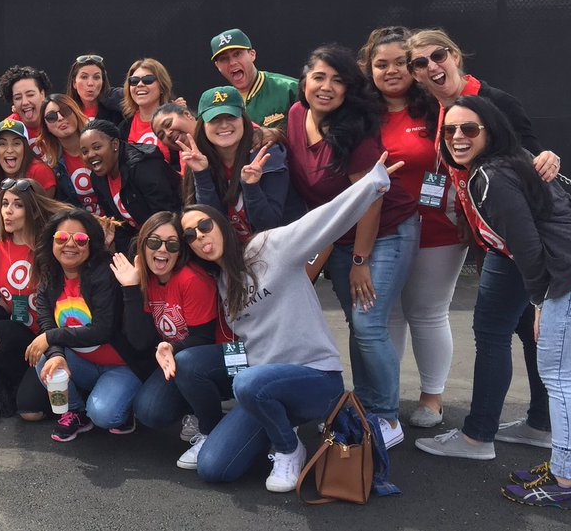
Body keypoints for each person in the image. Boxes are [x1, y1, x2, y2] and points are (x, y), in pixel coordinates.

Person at [189, 154, 403, 490]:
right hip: (264, 387)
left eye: (204, 226)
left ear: (221, 225)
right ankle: (272, 429)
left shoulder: (267, 248)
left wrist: (371, 183)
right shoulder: (222, 283)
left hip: (314, 378)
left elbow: (321, 221)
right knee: (214, 468)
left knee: (246, 383)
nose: (199, 236)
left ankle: (289, 449)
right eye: (190, 235)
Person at [407, 28, 560, 460]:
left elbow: (533, 157)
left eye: (438, 56)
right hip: (489, 235)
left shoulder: (495, 101)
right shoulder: (437, 109)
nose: (432, 67)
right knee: (524, 333)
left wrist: (549, 156)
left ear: (455, 55)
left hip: (513, 241)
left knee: (490, 331)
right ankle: (539, 423)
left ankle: (477, 436)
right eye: (420, 63)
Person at [436, 96, 571, 510]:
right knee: (565, 377)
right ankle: (566, 469)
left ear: (489, 131)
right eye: (450, 130)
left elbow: (525, 245)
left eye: (469, 129)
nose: (457, 137)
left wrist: (541, 300)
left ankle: (566, 483)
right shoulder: (512, 161)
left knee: (561, 378)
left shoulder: (489, 176)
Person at [286, 44, 420, 448]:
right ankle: (365, 406)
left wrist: (361, 260)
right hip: (341, 237)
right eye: (319, 77)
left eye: (338, 81)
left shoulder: (355, 132)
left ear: (348, 90)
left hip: (386, 231)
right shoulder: (295, 117)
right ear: (305, 81)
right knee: (356, 323)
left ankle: (386, 418)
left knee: (368, 323)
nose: (327, 88)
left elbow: (371, 200)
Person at [358, 27, 467, 429]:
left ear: (416, 68)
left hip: (436, 228)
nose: (391, 71)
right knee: (389, 316)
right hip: (381, 230)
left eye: (401, 63)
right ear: (369, 69)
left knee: (427, 313)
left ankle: (432, 397)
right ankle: (389, 396)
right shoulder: (362, 114)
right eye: (380, 64)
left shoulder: (438, 108)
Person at [25, 208, 154, 442]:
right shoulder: (48, 278)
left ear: (91, 244)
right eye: (62, 238)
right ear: (51, 242)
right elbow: (46, 325)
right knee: (43, 355)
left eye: (81, 239)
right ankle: (74, 412)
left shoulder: (104, 274)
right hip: (82, 362)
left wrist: (52, 337)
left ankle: (123, 406)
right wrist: (55, 352)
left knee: (104, 416)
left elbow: (103, 330)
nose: (70, 245)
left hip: (121, 365)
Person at [117, 211, 231, 471]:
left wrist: (170, 348)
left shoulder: (191, 279)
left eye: (172, 244)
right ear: (143, 244)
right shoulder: (146, 279)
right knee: (149, 411)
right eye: (154, 242)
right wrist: (131, 289)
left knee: (186, 362)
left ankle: (211, 423)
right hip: (176, 356)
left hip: (216, 357)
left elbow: (202, 339)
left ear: (181, 249)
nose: (163, 250)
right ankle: (195, 405)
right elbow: (139, 340)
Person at [0, 179, 69, 420]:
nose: (8, 210)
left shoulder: (50, 248)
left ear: (33, 209)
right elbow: (7, 294)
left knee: (31, 414)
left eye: (17, 205)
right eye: (5, 204)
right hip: (22, 334)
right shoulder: (0, 246)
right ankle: (18, 378)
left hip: (51, 337)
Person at [177, 86, 303, 240]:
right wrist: (201, 175)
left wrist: (251, 186)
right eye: (214, 119)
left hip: (283, 245)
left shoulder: (267, 153)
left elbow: (269, 225)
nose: (224, 125)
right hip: (236, 254)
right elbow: (212, 228)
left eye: (231, 117)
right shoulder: (199, 159)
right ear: (203, 126)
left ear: (243, 120)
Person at [79, 119, 181, 252]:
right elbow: (119, 226)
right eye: (85, 151)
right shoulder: (97, 178)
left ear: (115, 144)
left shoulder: (143, 167)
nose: (91, 155)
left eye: (97, 147)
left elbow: (168, 217)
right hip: (142, 243)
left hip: (172, 240)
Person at [209, 27, 299, 134]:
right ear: (217, 66)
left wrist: (278, 134)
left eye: (237, 54)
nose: (232, 62)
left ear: (252, 54)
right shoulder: (219, 103)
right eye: (223, 59)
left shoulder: (290, 88)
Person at [0, 118, 57, 217]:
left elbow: (43, 217)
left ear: (25, 147)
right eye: (2, 144)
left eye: (16, 143)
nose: (9, 150)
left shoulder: (40, 172)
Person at [39, 94, 97, 214]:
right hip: (82, 228)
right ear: (46, 127)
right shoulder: (51, 167)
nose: (60, 118)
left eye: (65, 111)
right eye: (51, 117)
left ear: (75, 112)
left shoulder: (101, 144)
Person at [119, 58, 175, 160]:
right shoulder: (124, 127)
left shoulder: (175, 122)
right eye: (134, 81)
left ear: (162, 87)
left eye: (148, 80)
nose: (140, 85)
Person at [0, 65, 51, 159]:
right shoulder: (8, 128)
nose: (25, 102)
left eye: (30, 95)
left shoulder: (58, 119)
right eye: (18, 98)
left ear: (42, 94)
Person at [66, 53, 123, 125]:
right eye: (84, 77)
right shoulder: (65, 113)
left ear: (103, 82)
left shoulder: (116, 109)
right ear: (74, 83)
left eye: (96, 77)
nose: (90, 83)